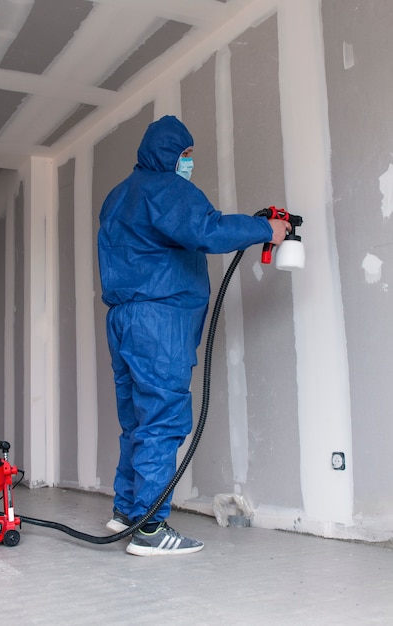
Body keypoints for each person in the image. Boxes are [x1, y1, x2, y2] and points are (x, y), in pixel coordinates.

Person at [97, 115, 289, 556]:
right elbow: (207, 230)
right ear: (168, 154)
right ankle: (150, 529)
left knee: (138, 421)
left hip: (123, 319)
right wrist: (266, 229)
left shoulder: (118, 196)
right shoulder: (165, 189)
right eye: (185, 155)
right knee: (163, 419)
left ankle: (127, 512)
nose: (188, 163)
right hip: (158, 321)